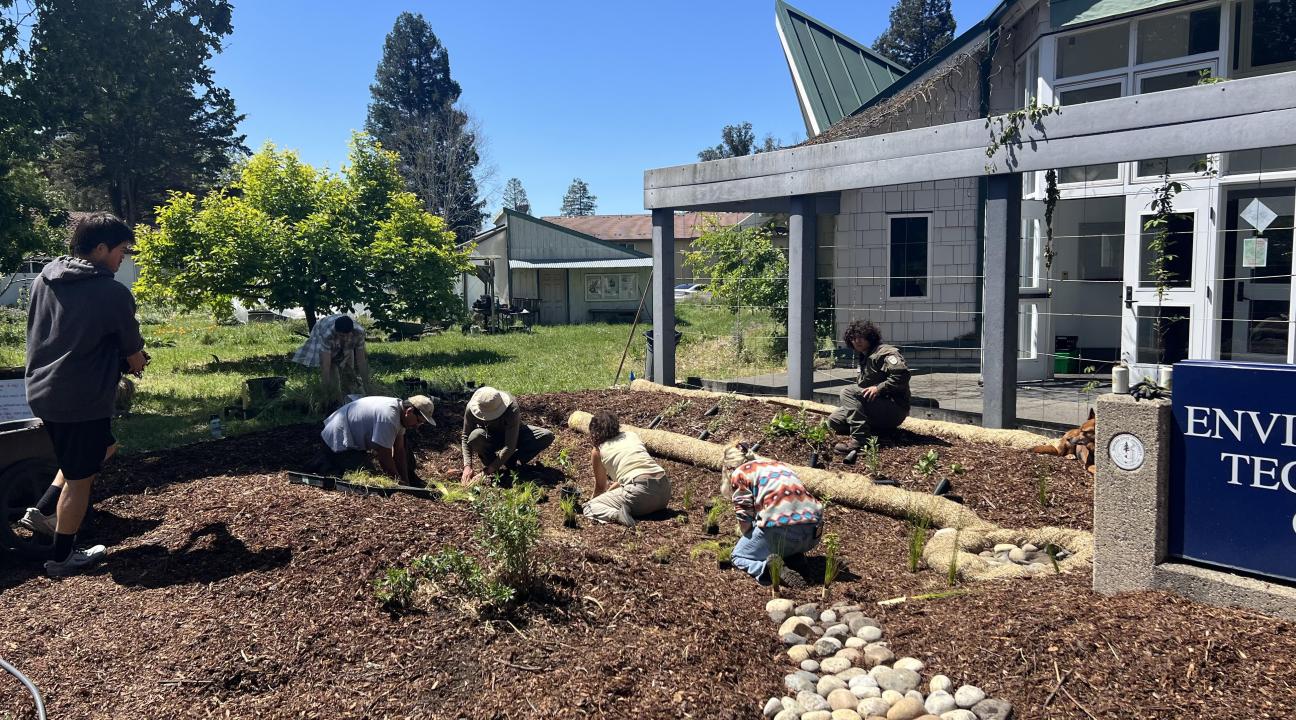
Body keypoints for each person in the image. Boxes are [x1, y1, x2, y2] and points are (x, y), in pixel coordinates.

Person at [23, 212, 148, 577]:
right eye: (121, 251)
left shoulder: (45, 278)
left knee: (101, 448)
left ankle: (44, 509)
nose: (122, 258)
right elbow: (133, 352)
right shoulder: (111, 292)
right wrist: (137, 362)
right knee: (80, 480)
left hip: (44, 388)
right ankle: (62, 558)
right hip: (81, 397)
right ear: (100, 248)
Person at [721, 443, 823, 585]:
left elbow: (744, 519)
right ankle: (794, 559)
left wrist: (747, 537)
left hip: (781, 530)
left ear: (729, 467)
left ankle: (767, 569)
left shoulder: (740, 472)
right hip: (813, 534)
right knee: (777, 538)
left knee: (738, 556)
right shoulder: (779, 465)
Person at [311, 395, 436, 485]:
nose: (417, 426)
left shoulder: (401, 414)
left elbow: (399, 451)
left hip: (353, 443)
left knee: (404, 451)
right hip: (336, 441)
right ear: (409, 411)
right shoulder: (388, 417)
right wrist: (400, 485)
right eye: (418, 421)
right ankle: (324, 464)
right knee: (367, 477)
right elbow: (384, 457)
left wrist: (406, 481)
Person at [827, 320, 911, 454]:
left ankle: (860, 441)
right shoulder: (864, 356)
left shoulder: (885, 353)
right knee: (834, 421)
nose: (857, 341)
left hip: (895, 408)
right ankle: (879, 433)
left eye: (861, 337)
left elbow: (902, 375)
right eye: (853, 338)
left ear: (870, 337)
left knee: (848, 392)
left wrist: (878, 388)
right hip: (877, 407)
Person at [583, 411, 671, 526]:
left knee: (589, 508)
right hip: (664, 492)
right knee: (634, 490)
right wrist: (609, 495)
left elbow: (600, 487)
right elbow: (628, 477)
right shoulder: (631, 435)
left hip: (640, 494)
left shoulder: (598, 450)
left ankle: (617, 515)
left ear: (594, 432)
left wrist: (593, 501)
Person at [459, 386, 554, 484]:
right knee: (475, 436)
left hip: (514, 434)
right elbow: (465, 436)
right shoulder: (472, 408)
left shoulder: (511, 408)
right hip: (490, 437)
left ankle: (512, 461)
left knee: (546, 436)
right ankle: (491, 462)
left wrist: (486, 472)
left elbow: (510, 446)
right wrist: (467, 466)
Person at [292, 313, 371, 402]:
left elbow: (361, 361)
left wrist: (367, 385)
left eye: (347, 335)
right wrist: (326, 391)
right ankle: (336, 396)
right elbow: (326, 365)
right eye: (342, 336)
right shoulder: (327, 334)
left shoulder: (359, 333)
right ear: (337, 332)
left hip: (349, 335)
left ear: (351, 331)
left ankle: (349, 392)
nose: (345, 338)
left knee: (349, 369)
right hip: (322, 327)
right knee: (332, 366)